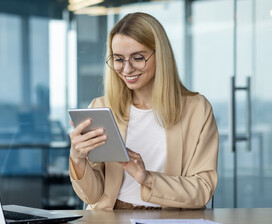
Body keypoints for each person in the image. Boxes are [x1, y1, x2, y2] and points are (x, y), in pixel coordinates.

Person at [69, 12, 218, 210]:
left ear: (161, 56)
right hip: (110, 221)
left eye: (138, 58)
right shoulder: (101, 107)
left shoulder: (197, 109)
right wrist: (77, 159)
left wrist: (147, 179)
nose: (127, 69)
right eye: (119, 59)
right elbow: (93, 195)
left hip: (172, 222)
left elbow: (202, 189)